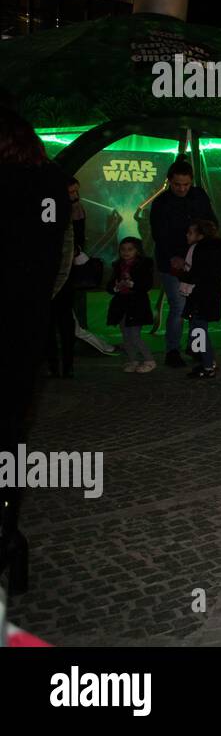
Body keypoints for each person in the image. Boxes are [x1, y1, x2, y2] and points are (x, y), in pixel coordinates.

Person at [0, 106, 71, 595]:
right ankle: (8, 534)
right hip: (23, 326)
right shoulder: (50, 183)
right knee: (8, 430)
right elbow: (57, 257)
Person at [150, 160, 216, 368]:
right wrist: (173, 256)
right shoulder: (161, 203)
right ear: (169, 181)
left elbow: (212, 222)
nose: (182, 188)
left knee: (197, 306)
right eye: (177, 184)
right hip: (173, 262)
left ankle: (195, 347)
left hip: (197, 259)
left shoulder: (199, 196)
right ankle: (172, 350)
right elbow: (159, 235)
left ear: (191, 182)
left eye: (186, 184)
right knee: (178, 306)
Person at [177, 219, 221, 379]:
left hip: (198, 296)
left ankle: (206, 365)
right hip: (210, 294)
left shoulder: (197, 249)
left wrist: (180, 272)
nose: (187, 235)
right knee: (198, 330)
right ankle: (207, 361)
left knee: (198, 331)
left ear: (200, 235)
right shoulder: (217, 250)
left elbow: (194, 273)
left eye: (190, 232)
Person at [46, 176, 85, 377]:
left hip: (66, 271)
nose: (75, 196)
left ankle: (65, 364)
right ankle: (56, 364)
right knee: (54, 320)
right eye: (71, 192)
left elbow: (78, 239)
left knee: (63, 319)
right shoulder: (54, 208)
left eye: (76, 192)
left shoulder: (75, 210)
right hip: (54, 270)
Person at [107, 236, 156, 373]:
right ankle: (133, 360)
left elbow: (147, 284)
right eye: (123, 249)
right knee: (125, 335)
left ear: (137, 251)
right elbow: (110, 285)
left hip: (137, 305)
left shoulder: (144, 264)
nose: (126, 252)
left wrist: (132, 284)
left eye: (130, 249)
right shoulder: (117, 265)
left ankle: (149, 360)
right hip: (121, 305)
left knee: (134, 335)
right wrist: (116, 287)